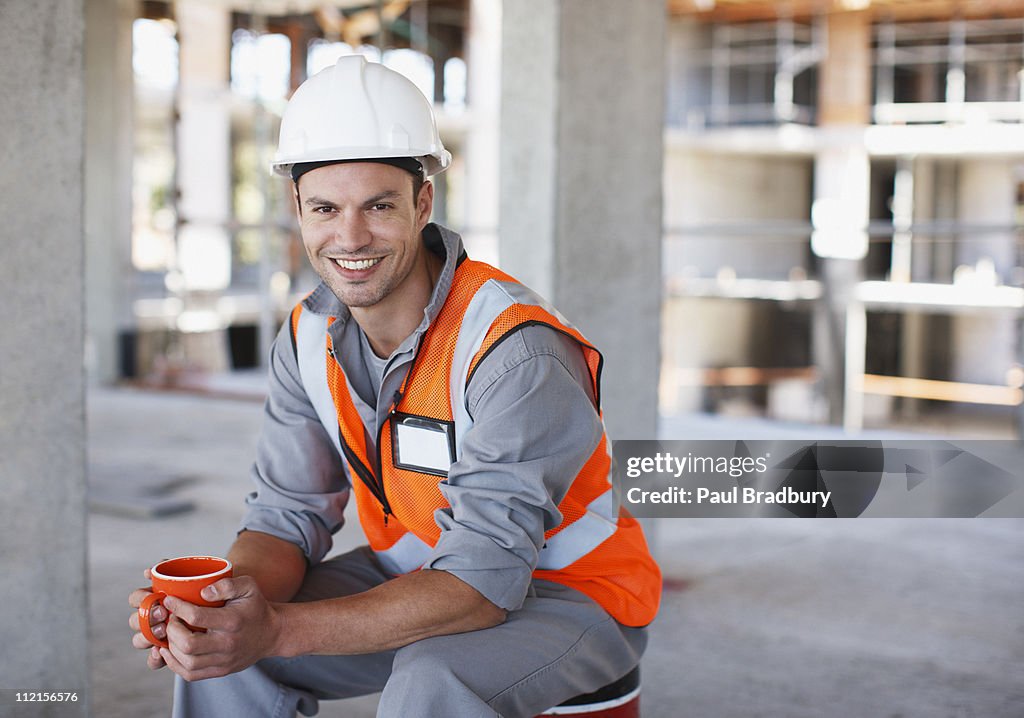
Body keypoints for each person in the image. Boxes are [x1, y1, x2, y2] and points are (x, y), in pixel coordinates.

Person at [129, 55, 661, 718]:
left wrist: (281, 627)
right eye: (325, 207)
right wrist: (222, 610)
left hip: (573, 593)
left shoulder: (514, 351)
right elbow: (285, 514)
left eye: (378, 206)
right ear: (297, 208)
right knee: (227, 654)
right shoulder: (306, 336)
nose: (351, 236)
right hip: (422, 574)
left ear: (423, 203)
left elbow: (481, 584)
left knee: (432, 675)